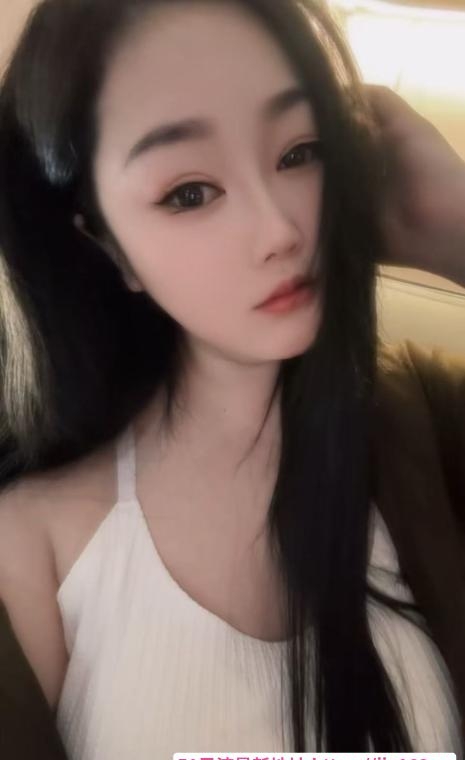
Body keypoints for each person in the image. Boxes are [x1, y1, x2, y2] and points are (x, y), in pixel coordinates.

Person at [0, 0, 463, 757]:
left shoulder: (425, 429)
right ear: (106, 244)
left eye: (300, 151)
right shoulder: (32, 548)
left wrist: (456, 230)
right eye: (189, 193)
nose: (280, 229)